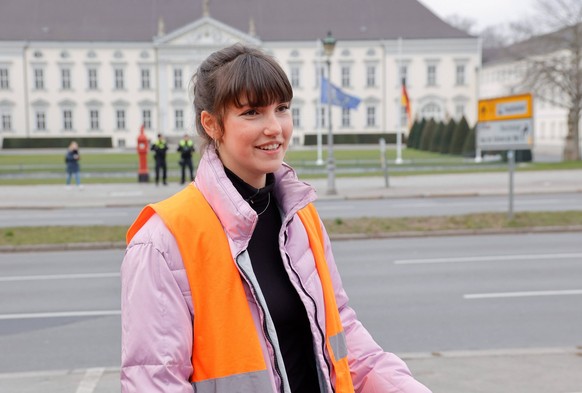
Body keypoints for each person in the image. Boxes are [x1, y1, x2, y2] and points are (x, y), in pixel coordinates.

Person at [121, 44, 431, 393]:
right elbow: (155, 382)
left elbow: (342, 333)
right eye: (252, 112)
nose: (274, 128)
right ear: (211, 124)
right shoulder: (162, 241)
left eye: (281, 108)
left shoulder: (301, 217)